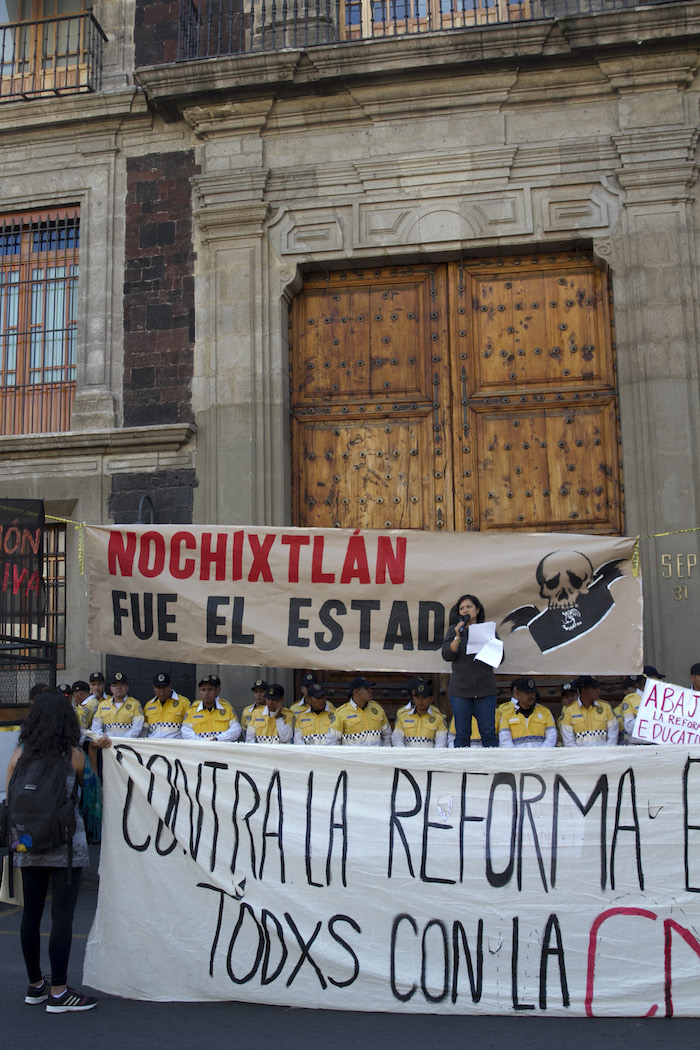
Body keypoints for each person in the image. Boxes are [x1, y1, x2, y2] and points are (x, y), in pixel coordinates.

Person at [5, 691, 98, 1012]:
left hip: (26, 841)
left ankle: (35, 986)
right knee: (62, 916)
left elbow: (12, 800)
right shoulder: (72, 756)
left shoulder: (18, 755)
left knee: (30, 913)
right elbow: (82, 795)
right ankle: (59, 991)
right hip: (64, 842)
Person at [441, 593, 499, 747]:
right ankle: (463, 770)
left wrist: (487, 645)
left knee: (488, 732)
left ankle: (492, 770)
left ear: (477, 610)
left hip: (485, 690)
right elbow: (447, 654)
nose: (465, 610)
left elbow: (500, 657)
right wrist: (457, 636)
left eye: (469, 607)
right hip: (460, 691)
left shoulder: (488, 630)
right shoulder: (454, 630)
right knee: (462, 733)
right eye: (462, 608)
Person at [327, 677, 392, 746]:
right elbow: (332, 740)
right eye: (367, 689)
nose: (370, 691)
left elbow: (387, 734)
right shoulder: (342, 712)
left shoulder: (377, 708)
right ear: (356, 692)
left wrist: (385, 753)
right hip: (353, 756)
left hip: (375, 756)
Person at [497, 677, 557, 748]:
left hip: (541, 757)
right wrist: (516, 756)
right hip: (517, 757)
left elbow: (551, 737)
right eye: (527, 693)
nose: (531, 696)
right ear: (517, 693)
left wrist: (541, 754)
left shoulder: (545, 712)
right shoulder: (507, 715)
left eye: (532, 693)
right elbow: (505, 740)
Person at [560, 676, 618, 747]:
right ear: (584, 690)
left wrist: (605, 753)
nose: (598, 690)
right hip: (580, 756)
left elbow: (613, 735)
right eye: (594, 688)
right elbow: (569, 742)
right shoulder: (569, 711)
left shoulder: (606, 707)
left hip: (604, 755)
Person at [181, 675, 241, 742]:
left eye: (210, 689)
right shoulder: (192, 710)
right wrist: (202, 742)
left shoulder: (227, 709)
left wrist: (218, 739)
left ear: (216, 691)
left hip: (221, 748)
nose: (206, 693)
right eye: (203, 690)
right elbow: (185, 731)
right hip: (200, 749)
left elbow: (236, 729)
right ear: (199, 692)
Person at [392, 678, 447, 748]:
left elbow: (441, 744)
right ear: (413, 698)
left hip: (430, 757)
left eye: (424, 697)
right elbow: (397, 739)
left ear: (431, 699)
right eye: (417, 697)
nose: (421, 701)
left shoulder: (438, 718)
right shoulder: (403, 716)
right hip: (407, 757)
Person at [90, 672, 144, 739]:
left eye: (122, 684)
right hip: (107, 745)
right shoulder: (102, 705)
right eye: (115, 685)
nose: (119, 687)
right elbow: (96, 727)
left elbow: (137, 727)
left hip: (128, 745)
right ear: (111, 688)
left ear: (127, 687)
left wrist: (123, 740)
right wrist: (103, 738)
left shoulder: (135, 704)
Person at [620, 665, 664, 744]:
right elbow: (629, 727)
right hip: (640, 747)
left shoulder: (663, 698)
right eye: (656, 680)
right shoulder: (630, 700)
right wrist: (652, 715)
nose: (659, 683)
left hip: (660, 746)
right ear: (647, 680)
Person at [143, 672, 191, 739]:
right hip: (153, 746)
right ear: (153, 688)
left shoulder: (183, 703)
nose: (162, 691)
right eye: (158, 688)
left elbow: (189, 728)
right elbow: (144, 730)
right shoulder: (148, 706)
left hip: (174, 746)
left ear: (170, 685)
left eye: (165, 687)